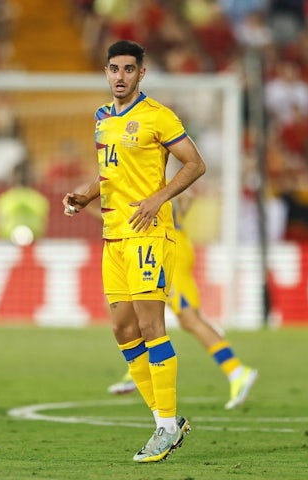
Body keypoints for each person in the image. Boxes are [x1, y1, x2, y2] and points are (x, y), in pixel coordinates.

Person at [62, 40, 206, 463]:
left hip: (148, 233)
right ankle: (166, 421)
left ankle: (164, 426)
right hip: (114, 236)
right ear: (106, 73)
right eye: (113, 69)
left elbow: (195, 164)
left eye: (128, 69)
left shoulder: (158, 116)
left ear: (141, 73)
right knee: (123, 331)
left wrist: (158, 198)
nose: (120, 76)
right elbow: (110, 170)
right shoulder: (102, 118)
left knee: (149, 326)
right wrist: (87, 195)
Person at [108, 191, 258, 410]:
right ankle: (139, 370)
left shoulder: (137, 176)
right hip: (168, 243)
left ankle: (236, 370)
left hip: (165, 249)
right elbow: (186, 198)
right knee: (145, 311)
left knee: (187, 318)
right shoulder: (154, 178)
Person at [0, 160, 49, 246]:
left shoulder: (4, 199)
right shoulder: (38, 199)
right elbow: (43, 222)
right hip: (15, 242)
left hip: (11, 242)